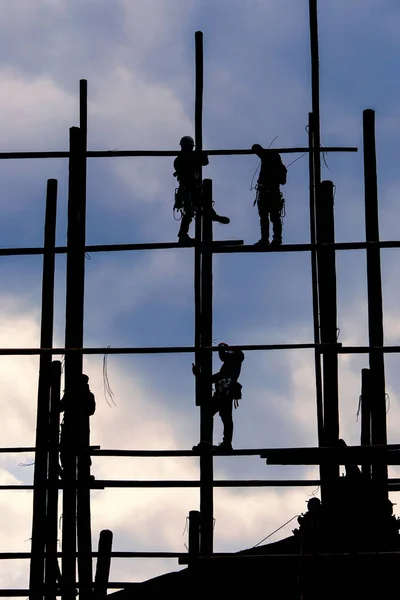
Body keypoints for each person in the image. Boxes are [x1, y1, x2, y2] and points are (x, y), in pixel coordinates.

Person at [173, 136, 230, 245]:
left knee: (198, 207)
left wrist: (202, 156)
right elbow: (202, 162)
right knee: (190, 211)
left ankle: (212, 216)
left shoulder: (184, 158)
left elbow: (203, 162)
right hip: (188, 189)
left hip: (192, 189)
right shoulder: (183, 158)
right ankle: (183, 235)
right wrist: (201, 156)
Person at [192, 343, 245, 452]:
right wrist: (199, 374)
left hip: (225, 392)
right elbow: (214, 378)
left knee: (220, 416)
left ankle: (222, 443)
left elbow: (223, 357)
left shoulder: (236, 358)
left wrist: (221, 349)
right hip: (223, 392)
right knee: (218, 416)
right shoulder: (228, 366)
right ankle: (216, 442)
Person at [59, 373, 96, 479]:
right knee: (80, 452)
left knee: (72, 451)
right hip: (79, 429)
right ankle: (79, 475)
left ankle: (73, 474)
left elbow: (60, 407)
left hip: (73, 428)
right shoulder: (86, 395)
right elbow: (91, 410)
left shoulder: (73, 394)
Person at [251, 143, 287, 247]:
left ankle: (269, 239)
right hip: (272, 194)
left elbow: (256, 148)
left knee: (268, 218)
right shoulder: (279, 166)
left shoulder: (268, 158)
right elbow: (283, 181)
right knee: (273, 218)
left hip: (268, 194)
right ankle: (274, 239)